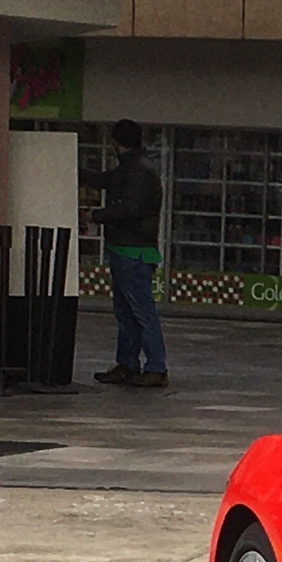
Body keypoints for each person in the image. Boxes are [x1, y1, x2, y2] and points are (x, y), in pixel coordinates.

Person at [94, 120, 167, 390]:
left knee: (139, 311)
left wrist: (96, 215)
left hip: (133, 251)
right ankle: (128, 363)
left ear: (116, 142)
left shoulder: (136, 171)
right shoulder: (136, 168)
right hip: (130, 249)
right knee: (128, 312)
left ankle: (155, 366)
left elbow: (130, 209)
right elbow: (107, 180)